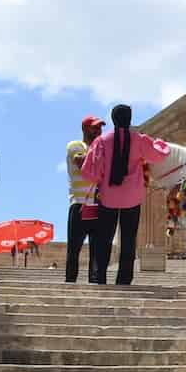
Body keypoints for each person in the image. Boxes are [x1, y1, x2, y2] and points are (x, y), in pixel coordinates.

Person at [79, 104, 170, 287]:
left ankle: (100, 277)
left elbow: (90, 172)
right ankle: (124, 280)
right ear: (129, 119)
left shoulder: (102, 141)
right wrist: (161, 143)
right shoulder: (139, 140)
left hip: (108, 198)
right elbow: (158, 155)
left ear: (113, 120)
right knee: (129, 239)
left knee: (104, 239)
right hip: (132, 198)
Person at [65, 115, 104, 283]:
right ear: (84, 129)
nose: (98, 131)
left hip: (97, 205)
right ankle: (70, 281)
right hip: (80, 204)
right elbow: (81, 161)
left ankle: (94, 282)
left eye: (100, 127)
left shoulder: (102, 149)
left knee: (97, 249)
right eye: (94, 127)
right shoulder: (76, 145)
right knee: (74, 249)